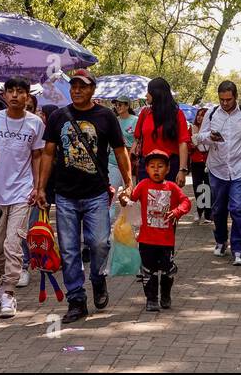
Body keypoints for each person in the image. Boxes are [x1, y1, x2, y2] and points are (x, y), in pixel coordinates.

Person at [37, 69, 131, 324]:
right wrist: (41, 187)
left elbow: (121, 152)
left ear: (92, 89)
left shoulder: (106, 116)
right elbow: (47, 153)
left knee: (99, 243)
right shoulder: (58, 117)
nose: (77, 90)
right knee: (69, 251)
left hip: (96, 194)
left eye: (83, 86)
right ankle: (76, 300)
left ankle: (98, 280)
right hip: (65, 195)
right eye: (74, 86)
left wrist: (129, 182)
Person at [0, 76, 45, 319]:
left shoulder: (36, 123)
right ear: (4, 94)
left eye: (20, 91)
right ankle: (3, 280)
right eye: (10, 91)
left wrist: (38, 186)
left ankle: (9, 291)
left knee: (13, 242)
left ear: (27, 96)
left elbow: (38, 156)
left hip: (22, 191)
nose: (14, 95)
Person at [194, 81, 241, 265]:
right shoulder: (212, 113)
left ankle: (238, 249)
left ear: (235, 97)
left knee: (238, 209)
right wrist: (209, 137)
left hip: (240, 169)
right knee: (218, 209)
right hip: (217, 169)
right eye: (222, 99)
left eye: (228, 99)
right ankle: (221, 240)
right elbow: (199, 139)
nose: (225, 103)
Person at [118, 152, 191, 312]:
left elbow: (186, 201)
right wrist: (123, 198)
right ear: (146, 169)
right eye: (152, 167)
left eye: (160, 166)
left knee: (167, 271)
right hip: (146, 240)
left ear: (167, 168)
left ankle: (165, 295)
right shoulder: (143, 185)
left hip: (166, 241)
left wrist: (178, 211)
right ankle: (151, 299)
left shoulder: (172, 187)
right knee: (148, 271)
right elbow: (131, 200)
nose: (156, 170)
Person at [134, 77, 190, 189]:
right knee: (148, 203)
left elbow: (183, 142)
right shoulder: (145, 113)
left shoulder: (177, 114)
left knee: (168, 204)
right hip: (146, 168)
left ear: (157, 93)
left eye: (149, 92)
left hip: (169, 168)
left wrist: (182, 170)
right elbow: (137, 138)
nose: (146, 95)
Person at [187, 107, 210, 222]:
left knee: (207, 187)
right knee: (197, 187)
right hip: (195, 162)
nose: (200, 117)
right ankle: (200, 209)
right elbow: (187, 145)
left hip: (208, 162)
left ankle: (208, 213)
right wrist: (193, 144)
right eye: (199, 115)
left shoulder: (210, 130)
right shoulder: (192, 128)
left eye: (203, 115)